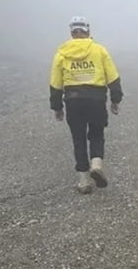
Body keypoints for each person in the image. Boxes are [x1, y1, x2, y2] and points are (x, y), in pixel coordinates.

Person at [49, 15, 123, 194]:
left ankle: (83, 181)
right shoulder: (99, 50)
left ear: (72, 32)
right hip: (96, 98)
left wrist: (57, 107)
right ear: (88, 31)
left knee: (78, 138)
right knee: (97, 133)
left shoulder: (62, 53)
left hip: (73, 100)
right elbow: (112, 76)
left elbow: (55, 83)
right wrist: (115, 99)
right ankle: (96, 164)